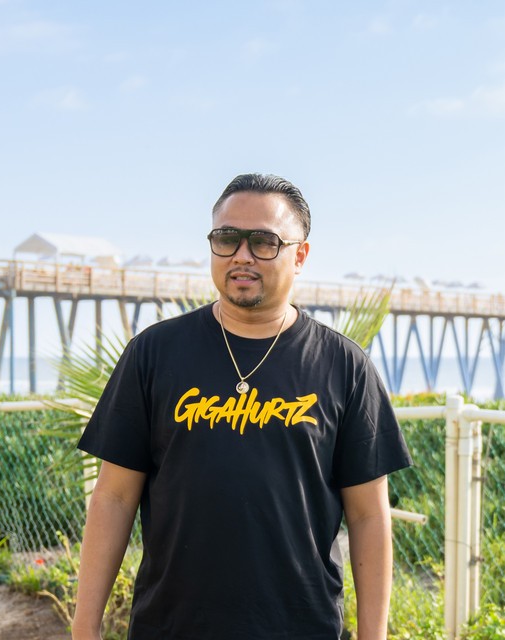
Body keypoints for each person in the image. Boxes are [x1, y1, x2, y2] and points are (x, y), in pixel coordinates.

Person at [72, 173, 412, 640]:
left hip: (301, 628)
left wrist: (374, 636)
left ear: (300, 255)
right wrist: (84, 627)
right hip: (170, 628)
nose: (242, 255)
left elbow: (369, 515)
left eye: (264, 242)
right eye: (227, 238)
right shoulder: (153, 353)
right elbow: (113, 497)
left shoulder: (345, 366)